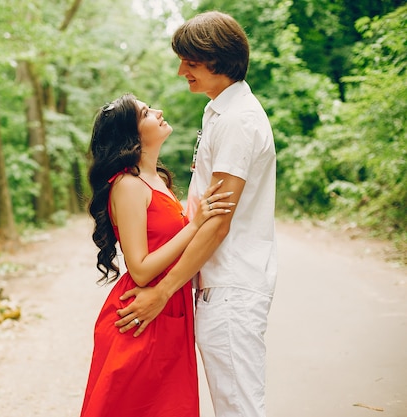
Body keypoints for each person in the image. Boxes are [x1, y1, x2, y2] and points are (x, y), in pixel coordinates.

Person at [114, 11, 278, 417]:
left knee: (239, 408)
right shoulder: (217, 111)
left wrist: (162, 291)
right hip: (213, 285)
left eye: (190, 60)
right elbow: (201, 210)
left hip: (231, 286)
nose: (180, 70)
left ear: (218, 58)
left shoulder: (239, 120)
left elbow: (217, 222)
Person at [80, 93, 233, 417]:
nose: (159, 112)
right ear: (131, 135)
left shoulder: (157, 181)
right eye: (146, 112)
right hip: (139, 316)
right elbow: (140, 270)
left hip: (165, 310)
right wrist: (196, 224)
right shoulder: (128, 185)